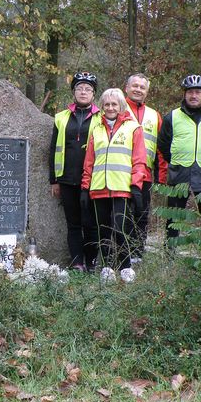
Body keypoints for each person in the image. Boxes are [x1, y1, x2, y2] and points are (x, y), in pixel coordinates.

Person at [81, 88, 146, 273]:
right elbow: (89, 161)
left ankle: (125, 267)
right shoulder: (96, 130)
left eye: (114, 104)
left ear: (121, 106)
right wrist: (85, 188)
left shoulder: (133, 128)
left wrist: (136, 186)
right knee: (103, 231)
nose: (110, 108)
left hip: (122, 188)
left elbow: (139, 160)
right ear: (102, 106)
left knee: (120, 230)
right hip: (99, 188)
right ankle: (107, 267)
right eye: (107, 104)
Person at [158, 75, 201, 241]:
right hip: (179, 173)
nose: (194, 95)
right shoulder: (172, 117)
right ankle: (170, 251)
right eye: (190, 92)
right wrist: (176, 159)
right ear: (184, 94)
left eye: (198, 92)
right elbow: (163, 144)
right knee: (174, 216)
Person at [49, 72, 101, 271]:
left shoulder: (101, 117)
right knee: (73, 224)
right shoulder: (61, 117)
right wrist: (53, 179)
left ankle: (91, 263)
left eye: (88, 89)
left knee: (90, 224)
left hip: (92, 179)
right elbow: (54, 148)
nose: (83, 92)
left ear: (94, 94)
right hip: (67, 178)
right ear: (73, 92)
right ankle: (77, 263)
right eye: (79, 88)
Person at [124, 73, 167, 262]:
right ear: (126, 88)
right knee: (121, 215)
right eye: (135, 86)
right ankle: (120, 253)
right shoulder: (116, 107)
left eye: (142, 87)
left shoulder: (154, 115)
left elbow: (161, 148)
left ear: (147, 92)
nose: (138, 89)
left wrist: (162, 176)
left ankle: (137, 253)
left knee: (141, 215)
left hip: (145, 175)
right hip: (120, 173)